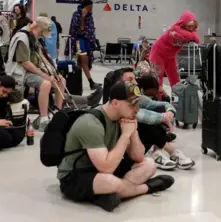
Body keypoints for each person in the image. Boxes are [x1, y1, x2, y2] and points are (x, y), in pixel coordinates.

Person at [58, 81, 175, 212]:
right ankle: (146, 188)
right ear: (115, 103)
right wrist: (125, 135)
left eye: (138, 104)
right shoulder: (90, 123)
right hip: (75, 174)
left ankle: (109, 194)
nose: (137, 109)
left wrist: (133, 131)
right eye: (132, 105)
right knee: (110, 182)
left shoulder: (124, 117)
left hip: (104, 167)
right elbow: (106, 167)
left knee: (149, 164)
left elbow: (138, 157)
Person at [120, 70, 195, 170]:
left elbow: (163, 104)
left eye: (134, 78)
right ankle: (170, 151)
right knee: (146, 123)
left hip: (139, 139)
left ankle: (157, 151)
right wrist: (163, 118)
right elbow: (139, 115)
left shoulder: (136, 96)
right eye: (130, 79)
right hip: (124, 145)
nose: (135, 82)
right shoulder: (119, 99)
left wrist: (169, 112)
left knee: (158, 111)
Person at [5, 17, 66, 131]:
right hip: (19, 72)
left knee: (61, 80)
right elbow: (25, 63)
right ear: (36, 27)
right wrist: (46, 76)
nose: (42, 36)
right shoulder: (22, 37)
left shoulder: (33, 36)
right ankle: (44, 119)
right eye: (41, 33)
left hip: (31, 70)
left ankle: (58, 113)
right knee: (46, 84)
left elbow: (41, 57)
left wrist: (54, 72)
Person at [150, 11, 200, 89]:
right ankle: (157, 99)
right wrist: (193, 34)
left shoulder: (188, 32)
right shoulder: (175, 28)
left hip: (170, 56)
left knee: (175, 79)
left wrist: (193, 34)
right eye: (189, 26)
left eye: (193, 26)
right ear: (183, 23)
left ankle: (178, 99)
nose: (191, 28)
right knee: (157, 79)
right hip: (158, 53)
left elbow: (197, 40)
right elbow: (190, 37)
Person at [65, 0, 100, 90]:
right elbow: (80, 29)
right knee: (84, 61)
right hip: (79, 41)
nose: (91, 9)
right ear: (85, 7)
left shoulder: (90, 16)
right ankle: (91, 82)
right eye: (90, 7)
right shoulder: (77, 14)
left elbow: (90, 29)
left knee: (82, 63)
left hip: (87, 41)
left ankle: (75, 82)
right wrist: (83, 18)